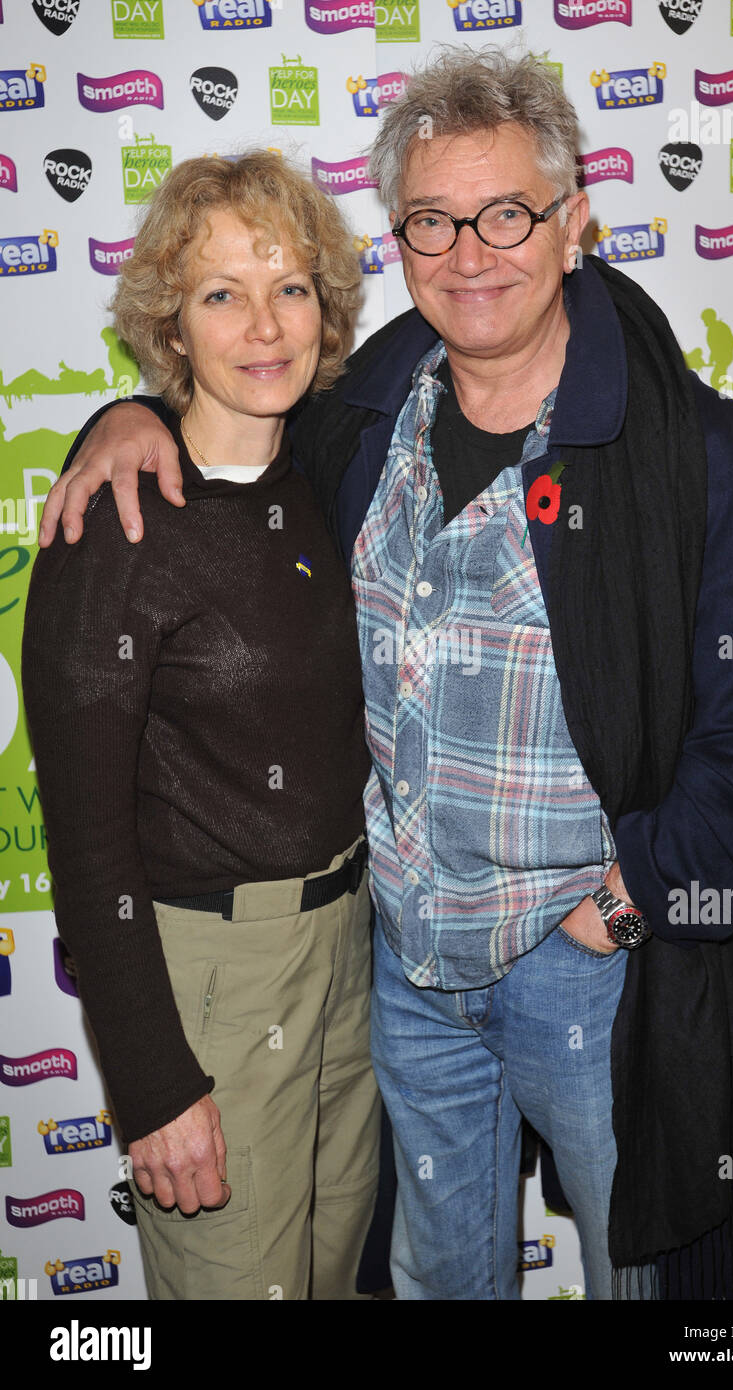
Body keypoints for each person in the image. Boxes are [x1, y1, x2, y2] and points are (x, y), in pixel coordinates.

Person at [40, 49, 733, 1301]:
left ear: (572, 222)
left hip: (587, 972)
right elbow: (218, 410)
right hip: (397, 980)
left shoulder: (700, 457)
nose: (472, 253)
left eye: (507, 212)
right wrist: (120, 420)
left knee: (651, 1285)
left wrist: (620, 910)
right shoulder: (356, 421)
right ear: (398, 241)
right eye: (431, 220)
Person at [22, 150, 380, 1301]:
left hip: (351, 960)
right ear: (170, 325)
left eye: (289, 287)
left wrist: (120, 413)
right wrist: (152, 1078)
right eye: (221, 292)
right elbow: (84, 836)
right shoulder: (116, 524)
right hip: (209, 984)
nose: (263, 324)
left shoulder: (326, 472)